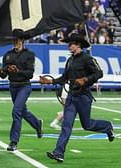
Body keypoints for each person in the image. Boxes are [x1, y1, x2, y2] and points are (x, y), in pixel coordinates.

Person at [40, 33, 115, 163]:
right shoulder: (70, 60)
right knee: (66, 126)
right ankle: (59, 153)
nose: (69, 46)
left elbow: (99, 73)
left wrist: (85, 79)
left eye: (71, 44)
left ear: (78, 45)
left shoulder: (87, 58)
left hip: (84, 97)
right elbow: (64, 78)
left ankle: (107, 126)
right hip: (71, 97)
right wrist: (50, 82)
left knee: (87, 125)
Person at [0, 29, 43, 152]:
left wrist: (18, 71)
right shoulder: (7, 55)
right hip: (13, 86)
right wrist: (0, 71)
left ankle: (13, 141)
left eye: (17, 39)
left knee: (16, 111)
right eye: (13, 40)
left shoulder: (29, 55)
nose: (15, 42)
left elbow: (30, 74)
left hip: (24, 86)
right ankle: (37, 124)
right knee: (22, 111)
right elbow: (3, 76)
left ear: (22, 40)